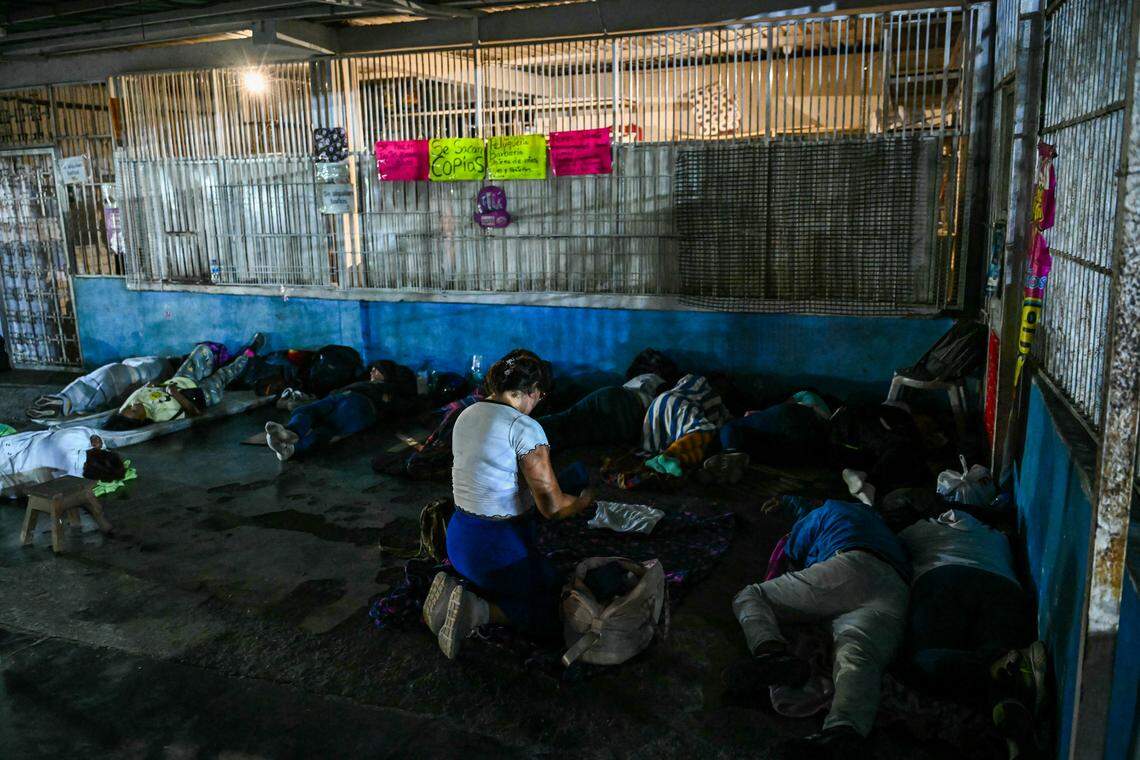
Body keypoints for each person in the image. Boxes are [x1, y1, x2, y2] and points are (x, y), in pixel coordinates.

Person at [421, 350, 593, 660]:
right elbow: (552, 509)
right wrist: (583, 502)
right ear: (533, 391)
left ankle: (457, 594)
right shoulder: (525, 428)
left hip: (458, 539)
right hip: (495, 551)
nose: (537, 403)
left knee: (565, 480)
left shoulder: (467, 413)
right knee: (554, 607)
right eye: (539, 396)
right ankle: (478, 612)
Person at [728, 495, 911, 756]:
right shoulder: (888, 533)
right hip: (897, 592)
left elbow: (795, 547)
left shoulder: (832, 509)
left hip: (850, 567)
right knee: (857, 657)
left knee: (751, 596)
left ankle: (772, 653)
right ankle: (842, 731)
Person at [876, 489, 1045, 754]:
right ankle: (1006, 700)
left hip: (942, 582)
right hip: (1005, 588)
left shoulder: (910, 534)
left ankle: (993, 677)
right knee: (1005, 656)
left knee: (924, 663)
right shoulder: (985, 529)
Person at [264, 360, 415, 461]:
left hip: (360, 404)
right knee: (306, 410)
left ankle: (293, 449)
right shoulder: (364, 383)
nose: (372, 372)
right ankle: (291, 432)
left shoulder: (389, 390)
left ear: (386, 375)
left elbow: (404, 407)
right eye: (372, 370)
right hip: (337, 397)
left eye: (377, 371)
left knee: (328, 427)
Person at [103, 334, 264, 429]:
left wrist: (154, 385)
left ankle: (218, 372)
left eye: (128, 407)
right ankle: (250, 352)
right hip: (201, 393)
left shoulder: (132, 404)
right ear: (140, 420)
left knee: (202, 351)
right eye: (132, 411)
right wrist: (175, 394)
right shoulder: (160, 416)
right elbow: (195, 413)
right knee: (226, 373)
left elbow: (125, 408)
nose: (132, 406)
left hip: (182, 379)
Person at [702, 390, 833, 481]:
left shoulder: (806, 395)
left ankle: (730, 454)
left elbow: (786, 406)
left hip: (790, 417)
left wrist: (760, 414)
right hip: (804, 443)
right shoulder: (825, 421)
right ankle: (735, 465)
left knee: (730, 425)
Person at [536, 373, 666, 450]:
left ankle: (523, 438)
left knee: (566, 421)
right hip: (632, 423)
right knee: (574, 435)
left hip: (618, 400)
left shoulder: (652, 378)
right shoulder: (670, 401)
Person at [27, 356, 171, 420]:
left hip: (111, 370)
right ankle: (65, 404)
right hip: (124, 378)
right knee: (96, 397)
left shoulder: (151, 360)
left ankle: (63, 399)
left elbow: (127, 362)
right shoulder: (162, 366)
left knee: (86, 385)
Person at [1, 427, 125, 496]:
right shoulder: (75, 481)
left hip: (8, 453)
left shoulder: (70, 440)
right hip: (9, 486)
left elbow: (88, 431)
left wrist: (97, 440)